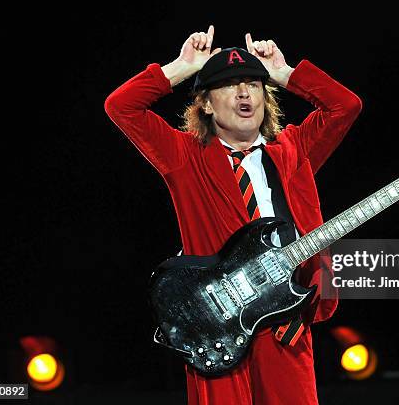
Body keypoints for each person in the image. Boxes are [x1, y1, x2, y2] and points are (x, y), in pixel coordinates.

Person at [105, 24, 362, 405]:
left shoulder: (293, 149)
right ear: (206, 103)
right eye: (229, 85)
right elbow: (120, 106)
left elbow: (346, 106)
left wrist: (286, 73)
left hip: (285, 323)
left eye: (254, 84)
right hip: (216, 328)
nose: (244, 92)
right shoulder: (185, 157)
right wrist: (180, 68)